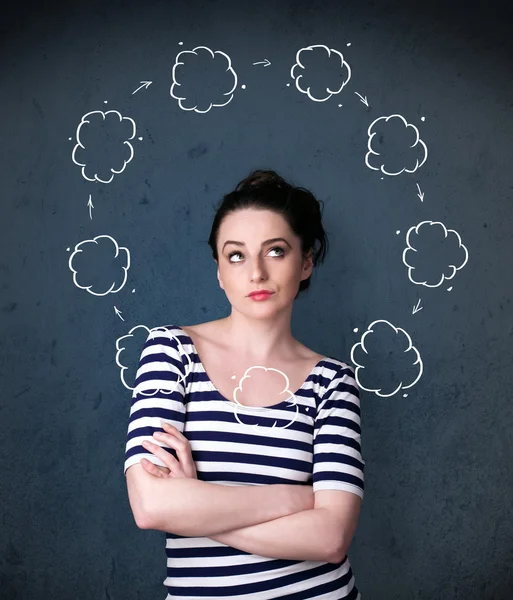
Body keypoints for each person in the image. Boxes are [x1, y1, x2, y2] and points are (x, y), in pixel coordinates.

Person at [124, 169, 365, 599]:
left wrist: (197, 504)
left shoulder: (333, 381)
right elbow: (152, 506)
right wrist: (293, 499)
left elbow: (329, 538)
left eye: (275, 251)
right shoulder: (171, 351)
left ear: (306, 262)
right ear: (218, 269)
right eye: (235, 255)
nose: (255, 272)